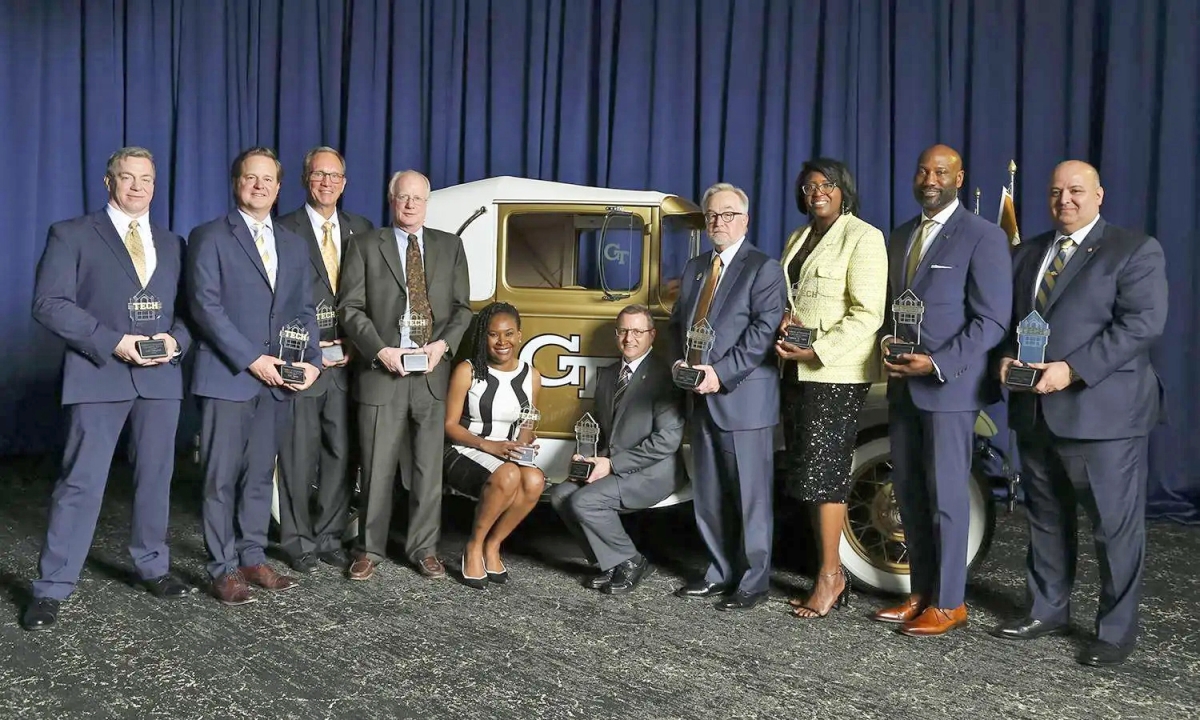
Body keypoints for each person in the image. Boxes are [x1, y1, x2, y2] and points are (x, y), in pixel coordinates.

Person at [989, 161, 1167, 667]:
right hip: (1035, 411)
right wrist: (1004, 355)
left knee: (1112, 528)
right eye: (1055, 192)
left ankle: (1115, 630)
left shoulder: (1133, 250)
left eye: (1076, 191)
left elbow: (1142, 324)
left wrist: (1073, 369)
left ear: (1098, 196)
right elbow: (1013, 321)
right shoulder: (1027, 252)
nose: (1064, 199)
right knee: (1045, 518)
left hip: (1103, 417)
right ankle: (1048, 609)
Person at [23, 147, 193, 630]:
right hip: (98, 374)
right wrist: (114, 342)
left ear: (155, 184)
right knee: (81, 483)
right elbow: (48, 303)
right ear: (107, 182)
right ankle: (52, 587)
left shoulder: (174, 242)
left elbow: (191, 312)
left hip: (160, 378)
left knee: (157, 477)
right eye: (127, 177)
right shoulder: (72, 234)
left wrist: (175, 340)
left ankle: (152, 566)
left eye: (146, 179)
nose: (137, 187)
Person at [874, 144, 1012, 636]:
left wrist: (937, 362)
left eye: (941, 171)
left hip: (948, 388)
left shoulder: (983, 236)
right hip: (901, 388)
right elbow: (894, 308)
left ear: (959, 177)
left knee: (947, 497)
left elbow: (992, 319)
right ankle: (921, 592)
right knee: (908, 493)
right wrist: (888, 344)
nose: (929, 178)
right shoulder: (901, 235)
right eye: (922, 170)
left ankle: (951, 602)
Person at [187, 147, 321, 606]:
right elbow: (205, 308)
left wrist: (312, 361)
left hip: (278, 380)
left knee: (261, 475)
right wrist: (251, 360)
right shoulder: (209, 236)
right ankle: (222, 567)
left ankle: (251, 555)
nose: (260, 186)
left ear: (279, 187)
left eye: (268, 180)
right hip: (229, 376)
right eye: (251, 178)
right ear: (236, 182)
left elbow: (305, 310)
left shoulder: (293, 243)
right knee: (220, 476)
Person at [339, 170, 472, 581]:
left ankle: (423, 548)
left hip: (432, 374)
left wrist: (442, 346)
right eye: (403, 198)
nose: (410, 205)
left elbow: (462, 308)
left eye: (417, 198)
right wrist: (380, 350)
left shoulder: (449, 246)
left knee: (428, 470)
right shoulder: (363, 245)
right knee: (377, 466)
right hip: (383, 373)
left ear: (427, 203)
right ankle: (369, 549)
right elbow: (350, 308)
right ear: (391, 199)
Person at [774, 158, 888, 619]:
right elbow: (797, 296)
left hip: (834, 374)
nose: (816, 192)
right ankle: (826, 569)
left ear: (844, 191)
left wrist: (817, 350)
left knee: (827, 476)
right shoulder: (798, 238)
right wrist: (786, 320)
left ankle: (830, 577)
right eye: (808, 186)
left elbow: (868, 315)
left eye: (826, 185)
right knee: (807, 473)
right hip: (795, 371)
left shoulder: (864, 237)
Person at [668, 182, 787, 611]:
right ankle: (719, 572)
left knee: (751, 497)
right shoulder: (697, 266)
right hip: (698, 397)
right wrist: (677, 366)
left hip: (743, 400)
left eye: (728, 214)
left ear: (745, 220)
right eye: (713, 216)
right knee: (710, 493)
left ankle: (753, 582)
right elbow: (678, 325)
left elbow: (761, 334)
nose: (719, 222)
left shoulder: (764, 269)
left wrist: (719, 374)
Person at [275, 146, 374, 573]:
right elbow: (276, 301)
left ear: (345, 183)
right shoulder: (283, 228)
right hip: (303, 361)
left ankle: (330, 534)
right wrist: (309, 350)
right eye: (318, 175)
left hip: (350, 362)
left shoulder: (363, 229)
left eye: (334, 176)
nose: (326, 182)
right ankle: (297, 539)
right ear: (305, 180)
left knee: (341, 452)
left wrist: (362, 344)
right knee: (298, 454)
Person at [550, 304, 685, 594]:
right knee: (561, 495)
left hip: (654, 472)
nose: (629, 338)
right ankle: (609, 563)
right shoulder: (609, 374)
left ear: (651, 335)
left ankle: (633, 561)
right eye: (623, 331)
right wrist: (585, 457)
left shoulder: (664, 377)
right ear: (616, 335)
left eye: (637, 331)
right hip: (614, 465)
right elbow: (599, 429)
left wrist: (610, 465)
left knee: (585, 502)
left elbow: (667, 441)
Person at [442, 303, 546, 589]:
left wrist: (525, 446)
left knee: (535, 480)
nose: (502, 342)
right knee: (509, 475)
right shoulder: (468, 370)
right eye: (493, 335)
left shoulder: (531, 375)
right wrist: (488, 445)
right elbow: (449, 425)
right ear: (483, 337)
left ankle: (493, 545)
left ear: (519, 335)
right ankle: (473, 546)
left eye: (509, 333)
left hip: (505, 455)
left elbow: (528, 423)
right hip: (464, 449)